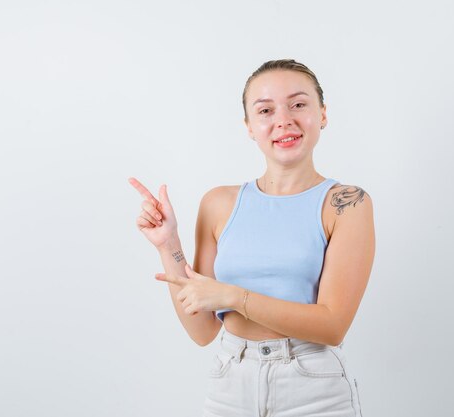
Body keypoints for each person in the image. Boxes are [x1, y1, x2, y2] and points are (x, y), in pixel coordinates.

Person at [128, 59, 375, 417]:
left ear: (322, 114)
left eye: (298, 104)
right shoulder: (218, 203)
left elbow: (332, 326)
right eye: (265, 110)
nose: (283, 120)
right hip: (230, 382)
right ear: (249, 126)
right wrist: (169, 245)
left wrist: (234, 296)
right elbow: (202, 331)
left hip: (313, 388)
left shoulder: (346, 203)